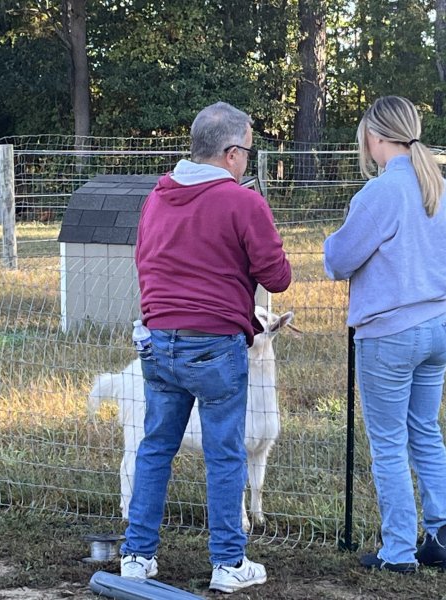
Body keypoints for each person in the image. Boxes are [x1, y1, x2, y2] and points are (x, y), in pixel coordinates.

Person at [120, 102, 291, 593]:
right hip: (214, 342)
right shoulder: (242, 202)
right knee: (224, 452)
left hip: (157, 339)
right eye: (247, 153)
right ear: (232, 152)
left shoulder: (158, 197)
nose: (246, 163)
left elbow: (145, 260)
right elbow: (276, 275)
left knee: (155, 448)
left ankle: (137, 555)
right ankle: (228, 562)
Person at [324, 96, 446, 573]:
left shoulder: (380, 193)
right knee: (425, 431)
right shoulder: (443, 189)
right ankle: (442, 535)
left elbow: (338, 261)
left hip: (390, 334)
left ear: (374, 136)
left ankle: (399, 550)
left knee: (387, 442)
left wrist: (333, 243)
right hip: (438, 325)